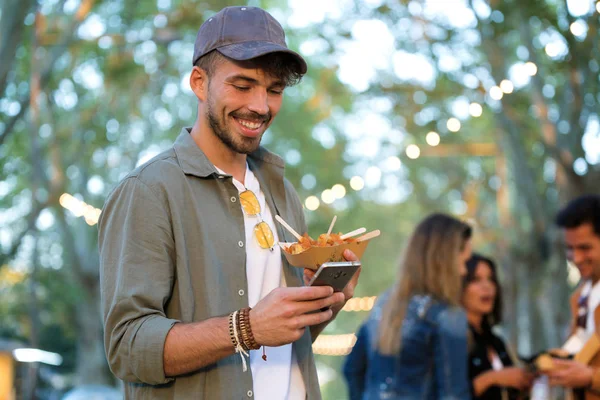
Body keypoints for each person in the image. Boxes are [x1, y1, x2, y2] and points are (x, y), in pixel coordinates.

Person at [98, 6, 361, 399]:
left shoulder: (282, 192)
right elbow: (127, 347)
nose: (261, 105)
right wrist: (247, 328)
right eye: (242, 85)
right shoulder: (148, 191)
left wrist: (326, 302)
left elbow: (283, 342)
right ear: (199, 83)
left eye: (274, 90)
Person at [342, 213, 473, 399]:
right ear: (445, 261)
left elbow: (352, 370)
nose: (464, 271)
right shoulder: (447, 315)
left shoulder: (384, 304)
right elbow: (454, 395)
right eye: (463, 261)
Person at [544, 194, 600, 399]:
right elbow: (582, 345)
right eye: (570, 248)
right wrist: (559, 361)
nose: (576, 258)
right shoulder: (580, 298)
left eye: (585, 248)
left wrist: (591, 378)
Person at [463, 253, 534, 399]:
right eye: (476, 280)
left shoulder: (496, 342)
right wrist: (492, 378)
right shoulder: (453, 338)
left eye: (491, 279)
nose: (486, 286)